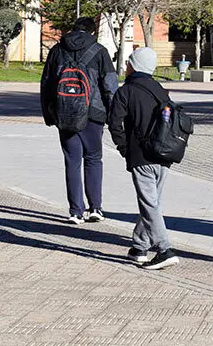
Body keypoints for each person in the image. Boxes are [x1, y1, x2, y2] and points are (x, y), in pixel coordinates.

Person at [41, 17, 117, 224]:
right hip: (94, 113)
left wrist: (49, 113)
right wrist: (113, 114)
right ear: (92, 32)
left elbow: (47, 83)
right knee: (93, 158)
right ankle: (96, 208)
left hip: (64, 112)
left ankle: (75, 211)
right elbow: (110, 84)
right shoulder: (99, 51)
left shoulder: (57, 50)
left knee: (72, 160)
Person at [108, 47, 179, 271]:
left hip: (141, 156)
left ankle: (164, 249)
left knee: (149, 204)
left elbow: (114, 123)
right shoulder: (160, 90)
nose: (126, 66)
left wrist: (124, 148)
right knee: (152, 203)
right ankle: (140, 246)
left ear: (134, 65)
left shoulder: (126, 91)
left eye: (128, 62)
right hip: (165, 154)